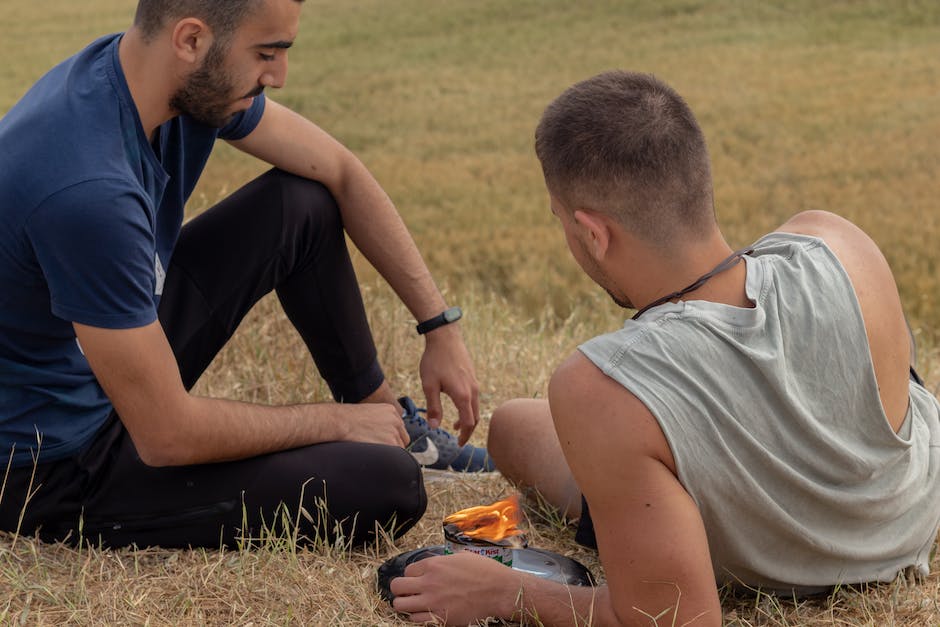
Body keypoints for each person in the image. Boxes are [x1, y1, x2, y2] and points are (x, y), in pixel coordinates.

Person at [389, 70, 940, 626]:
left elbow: (674, 618)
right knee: (512, 428)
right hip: (913, 521)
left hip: (792, 565)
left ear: (594, 233)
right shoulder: (833, 240)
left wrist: (505, 592)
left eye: (561, 222)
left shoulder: (602, 386)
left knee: (541, 428)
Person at [0, 0, 495, 551]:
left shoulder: (154, 78)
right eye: (265, 54)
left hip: (101, 361)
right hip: (51, 464)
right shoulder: (88, 190)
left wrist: (439, 326)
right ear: (190, 40)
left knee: (301, 204)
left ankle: (389, 415)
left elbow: (340, 171)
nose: (278, 77)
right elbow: (167, 435)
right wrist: (337, 422)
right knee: (387, 485)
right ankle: (377, 430)